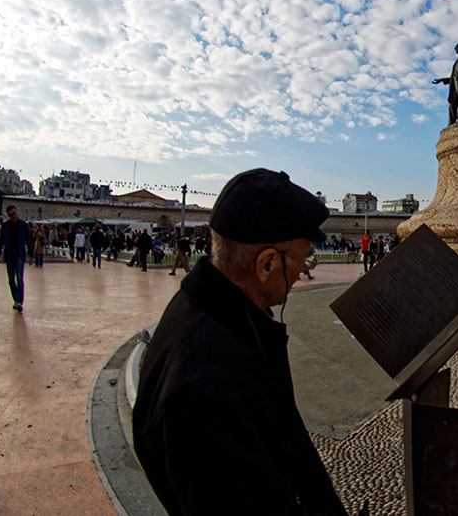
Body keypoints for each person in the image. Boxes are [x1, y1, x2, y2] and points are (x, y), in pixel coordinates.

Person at [133, 169, 348, 515]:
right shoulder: (205, 389)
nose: (300, 271)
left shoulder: (210, 311)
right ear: (265, 265)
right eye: (302, 259)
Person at [0, 205, 34, 312]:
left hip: (19, 255)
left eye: (14, 214)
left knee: (20, 279)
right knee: (11, 280)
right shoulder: (5, 225)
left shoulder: (23, 225)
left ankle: (19, 302)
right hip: (9, 256)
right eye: (11, 215)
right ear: (8, 215)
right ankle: (16, 300)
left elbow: (28, 240)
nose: (13, 216)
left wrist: (31, 256)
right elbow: (0, 241)